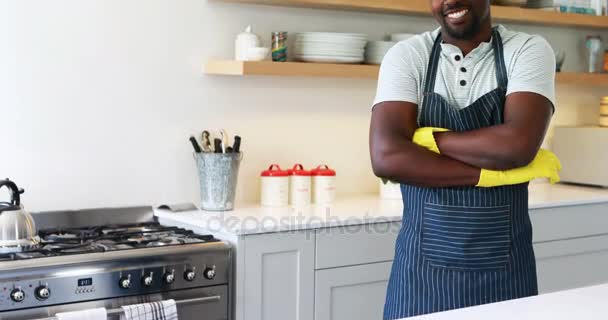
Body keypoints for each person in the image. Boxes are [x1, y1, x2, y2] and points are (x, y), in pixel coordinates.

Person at [368, 0, 563, 318]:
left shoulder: (527, 49)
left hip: (505, 277)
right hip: (420, 279)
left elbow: (517, 145)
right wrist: (488, 174)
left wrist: (429, 139)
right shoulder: (407, 55)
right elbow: (387, 157)